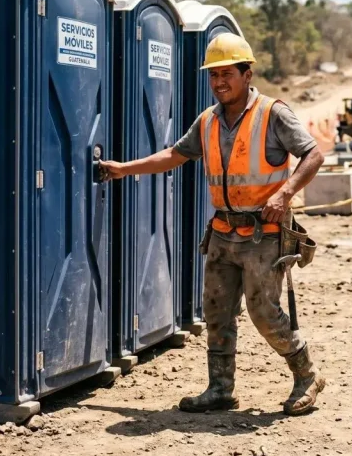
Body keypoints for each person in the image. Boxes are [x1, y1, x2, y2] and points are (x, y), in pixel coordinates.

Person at [98, 33, 327, 416]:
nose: (220, 83)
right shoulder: (207, 121)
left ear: (247, 73)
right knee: (217, 311)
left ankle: (307, 374)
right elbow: (174, 155)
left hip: (263, 234)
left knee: (263, 312)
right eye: (214, 76)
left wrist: (285, 193)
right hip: (222, 232)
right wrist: (123, 169)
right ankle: (221, 389)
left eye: (227, 75)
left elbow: (313, 154)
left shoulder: (273, 114)